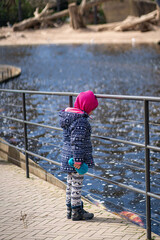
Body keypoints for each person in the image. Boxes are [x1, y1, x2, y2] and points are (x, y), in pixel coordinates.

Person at [59, 90, 98, 221]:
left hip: (67, 155)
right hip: (75, 159)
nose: (92, 111)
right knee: (77, 184)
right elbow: (77, 142)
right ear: (86, 106)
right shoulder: (80, 121)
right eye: (92, 108)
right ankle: (77, 211)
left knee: (70, 183)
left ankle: (70, 209)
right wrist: (78, 160)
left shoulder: (70, 117)